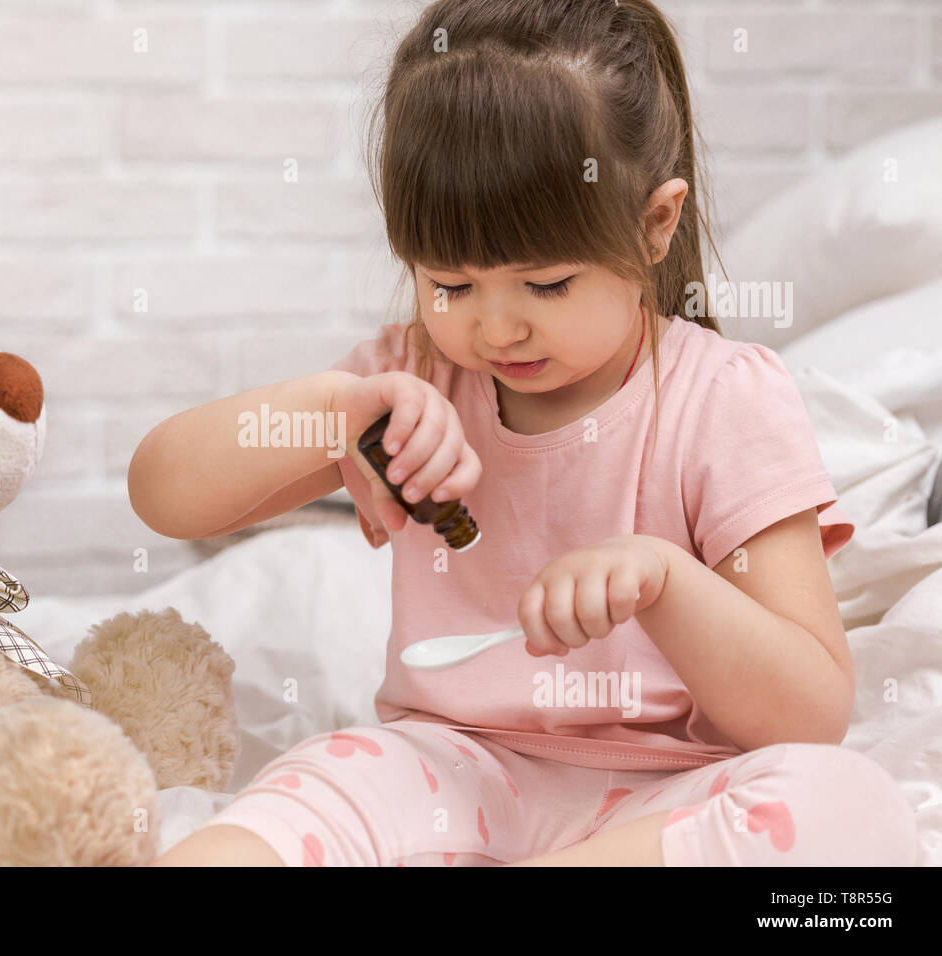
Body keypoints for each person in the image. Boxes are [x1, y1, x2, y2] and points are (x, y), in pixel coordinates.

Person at [129, 0, 917, 866]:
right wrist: (330, 410)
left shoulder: (723, 399)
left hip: (665, 802)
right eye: (452, 286)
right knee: (318, 787)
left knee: (850, 806)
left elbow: (808, 716)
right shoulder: (409, 379)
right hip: (452, 771)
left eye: (545, 284)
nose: (497, 330)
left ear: (657, 225)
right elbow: (163, 494)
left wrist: (666, 581)